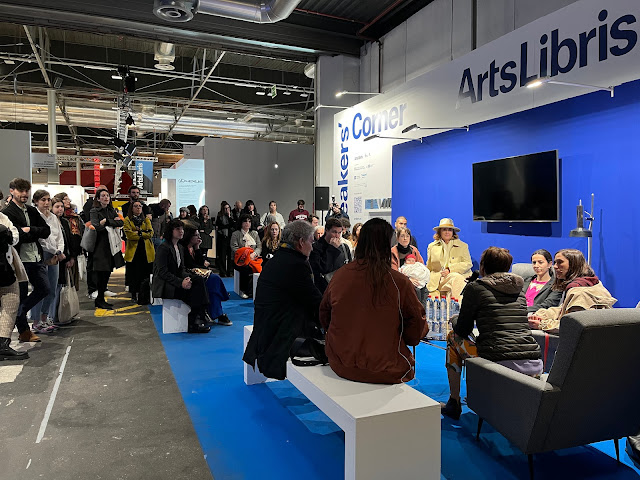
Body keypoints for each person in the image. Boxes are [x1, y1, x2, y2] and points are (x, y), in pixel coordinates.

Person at [319, 218, 427, 384]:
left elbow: (324, 315)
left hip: (341, 363)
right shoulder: (398, 282)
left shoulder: (340, 275)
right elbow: (416, 326)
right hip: (386, 368)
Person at [441, 247, 543, 420]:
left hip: (498, 361)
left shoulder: (475, 288)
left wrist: (455, 319)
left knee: (453, 337)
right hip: (534, 362)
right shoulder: (519, 288)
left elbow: (462, 329)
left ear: (483, 267)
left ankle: (454, 402)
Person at [243, 220, 322, 380]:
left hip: (266, 327)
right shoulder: (296, 265)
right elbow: (315, 301)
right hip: (279, 334)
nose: (312, 247)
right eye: (311, 242)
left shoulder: (278, 259)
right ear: (301, 242)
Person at [3, 178, 50, 343]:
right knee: (21, 294)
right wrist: (32, 233)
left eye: (26, 191)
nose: (24, 194)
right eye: (20, 190)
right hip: (19, 260)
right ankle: (24, 331)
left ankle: (20, 312)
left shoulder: (31, 210)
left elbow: (46, 231)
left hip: (35, 257)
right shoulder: (8, 212)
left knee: (44, 288)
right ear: (12, 191)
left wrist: (30, 230)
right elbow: (16, 236)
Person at [528, 249, 616, 333]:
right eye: (555, 262)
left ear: (574, 265)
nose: (555, 266)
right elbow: (563, 309)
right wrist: (542, 315)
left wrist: (542, 324)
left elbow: (572, 326)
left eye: (560, 262)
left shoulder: (579, 292)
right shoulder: (590, 282)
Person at [152, 219, 210, 333]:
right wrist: (181, 282)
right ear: (171, 231)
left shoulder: (179, 247)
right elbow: (162, 272)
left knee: (199, 280)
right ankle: (195, 319)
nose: (181, 231)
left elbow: (181, 269)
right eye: (178, 229)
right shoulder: (163, 248)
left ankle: (199, 315)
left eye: (182, 229)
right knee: (195, 289)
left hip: (175, 280)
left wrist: (187, 277)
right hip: (166, 284)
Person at [30, 190, 65, 333]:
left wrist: (60, 251)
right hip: (41, 255)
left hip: (55, 256)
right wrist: (55, 251)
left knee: (52, 289)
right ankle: (36, 321)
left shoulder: (53, 217)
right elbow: (41, 239)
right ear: (36, 201)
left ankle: (45, 319)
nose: (46, 202)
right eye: (43, 200)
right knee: (40, 289)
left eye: (48, 199)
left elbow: (59, 237)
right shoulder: (35, 216)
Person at [180, 228, 231, 326]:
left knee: (213, 286)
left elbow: (200, 262)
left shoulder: (193, 248)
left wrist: (197, 247)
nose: (199, 237)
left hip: (199, 274)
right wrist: (203, 267)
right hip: (191, 276)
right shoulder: (183, 249)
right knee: (214, 281)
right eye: (196, 235)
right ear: (189, 237)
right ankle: (219, 309)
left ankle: (216, 312)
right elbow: (192, 265)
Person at [0, 208, 29, 360]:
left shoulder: (2, 217)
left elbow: (15, 236)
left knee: (11, 300)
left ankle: (3, 344)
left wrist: (7, 233)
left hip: (4, 267)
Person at [90, 188, 125, 310]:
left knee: (108, 271)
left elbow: (121, 223)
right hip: (100, 246)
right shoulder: (94, 211)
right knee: (101, 272)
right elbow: (96, 226)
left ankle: (101, 299)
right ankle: (99, 299)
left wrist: (106, 221)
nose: (106, 198)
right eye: (103, 196)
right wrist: (110, 223)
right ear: (98, 199)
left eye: (107, 195)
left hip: (111, 246)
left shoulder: (111, 211)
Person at [426, 218, 472, 300]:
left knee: (456, 278)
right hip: (438, 279)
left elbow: (468, 263)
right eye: (444, 230)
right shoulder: (432, 246)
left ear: (453, 232)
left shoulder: (463, 246)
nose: (447, 232)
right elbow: (429, 267)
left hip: (456, 277)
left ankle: (456, 305)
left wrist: (450, 270)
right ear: (440, 232)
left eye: (450, 230)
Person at [51, 194, 79, 325]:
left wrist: (71, 257)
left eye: (61, 206)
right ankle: (53, 316)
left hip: (65, 257)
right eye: (57, 206)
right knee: (55, 287)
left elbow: (69, 241)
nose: (60, 209)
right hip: (54, 258)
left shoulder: (64, 222)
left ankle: (61, 314)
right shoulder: (50, 222)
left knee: (63, 286)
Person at [123, 201, 155, 303]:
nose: (138, 208)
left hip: (146, 251)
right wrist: (143, 233)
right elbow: (129, 235)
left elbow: (151, 233)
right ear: (131, 208)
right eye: (135, 206)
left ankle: (145, 294)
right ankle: (134, 294)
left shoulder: (146, 219)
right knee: (134, 274)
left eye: (140, 206)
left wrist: (139, 233)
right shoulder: (127, 220)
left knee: (146, 274)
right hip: (134, 252)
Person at [309, 218, 346, 294]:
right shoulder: (315, 248)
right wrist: (332, 249)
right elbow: (323, 268)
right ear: (326, 230)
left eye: (339, 233)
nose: (337, 236)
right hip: (323, 289)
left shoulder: (344, 247)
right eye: (334, 232)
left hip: (340, 287)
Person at [230, 214, 262, 299]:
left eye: (249, 221)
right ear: (241, 223)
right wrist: (246, 254)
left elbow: (259, 247)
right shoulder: (235, 234)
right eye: (245, 221)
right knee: (246, 268)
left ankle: (254, 290)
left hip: (253, 258)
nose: (247, 223)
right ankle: (243, 290)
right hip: (240, 260)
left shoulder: (255, 233)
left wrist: (254, 254)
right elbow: (234, 248)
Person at [59, 192, 83, 291]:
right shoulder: (60, 218)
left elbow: (78, 233)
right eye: (65, 199)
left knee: (73, 281)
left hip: (75, 250)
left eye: (68, 199)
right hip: (63, 251)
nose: (68, 201)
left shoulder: (74, 216)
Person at [215, 201, 233, 277]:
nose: (227, 210)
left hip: (230, 237)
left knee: (229, 255)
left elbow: (233, 224)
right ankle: (223, 272)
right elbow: (219, 226)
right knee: (222, 255)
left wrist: (229, 216)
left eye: (228, 208)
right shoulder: (219, 215)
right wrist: (227, 226)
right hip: (222, 237)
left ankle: (229, 272)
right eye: (225, 208)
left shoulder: (231, 215)